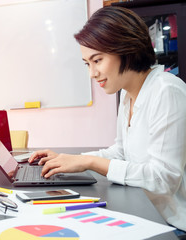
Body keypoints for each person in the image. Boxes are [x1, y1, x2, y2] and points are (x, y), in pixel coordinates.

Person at [28, 6, 186, 236]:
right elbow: (122, 152)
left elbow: (164, 179)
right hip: (148, 213)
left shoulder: (167, 91)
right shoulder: (127, 94)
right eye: (87, 63)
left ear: (126, 49)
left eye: (97, 60)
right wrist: (72, 160)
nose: (92, 73)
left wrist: (91, 163)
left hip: (174, 224)